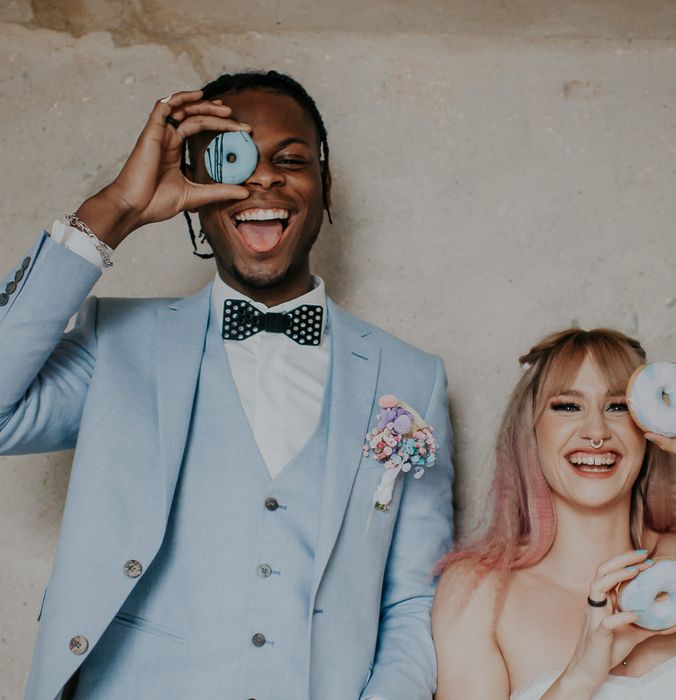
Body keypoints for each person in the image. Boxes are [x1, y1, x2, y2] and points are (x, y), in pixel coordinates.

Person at [0, 70, 453, 700]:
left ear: (327, 188)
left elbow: (412, 600)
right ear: (192, 193)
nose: (262, 179)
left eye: (291, 160)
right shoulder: (121, 343)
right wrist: (115, 211)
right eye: (232, 160)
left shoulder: (411, 379)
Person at [432, 328, 676, 699]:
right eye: (568, 406)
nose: (596, 432)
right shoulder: (477, 592)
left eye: (618, 406)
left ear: (649, 428)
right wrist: (579, 676)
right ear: (531, 430)